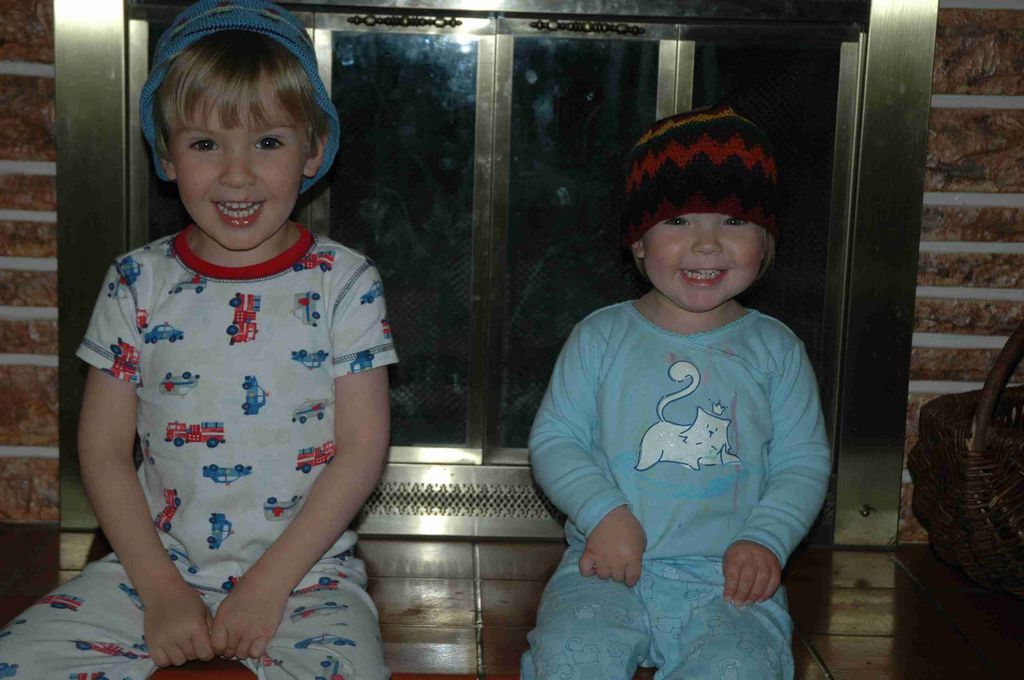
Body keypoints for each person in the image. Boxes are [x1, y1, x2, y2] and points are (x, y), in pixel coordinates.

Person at [0, 1, 396, 676]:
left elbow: (361, 450)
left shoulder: (345, 283)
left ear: (313, 150)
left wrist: (268, 586)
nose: (237, 174)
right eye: (206, 144)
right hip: (147, 570)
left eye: (268, 142)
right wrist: (160, 592)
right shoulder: (136, 283)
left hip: (306, 578)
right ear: (165, 153)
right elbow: (102, 450)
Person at [520, 105, 831, 680]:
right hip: (604, 563)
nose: (707, 245)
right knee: (571, 653)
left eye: (733, 221)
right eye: (679, 221)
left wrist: (766, 540)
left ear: (765, 241)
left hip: (729, 579)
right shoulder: (599, 338)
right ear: (638, 242)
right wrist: (603, 514)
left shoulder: (777, 350)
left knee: (741, 667)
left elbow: (803, 462)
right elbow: (556, 441)